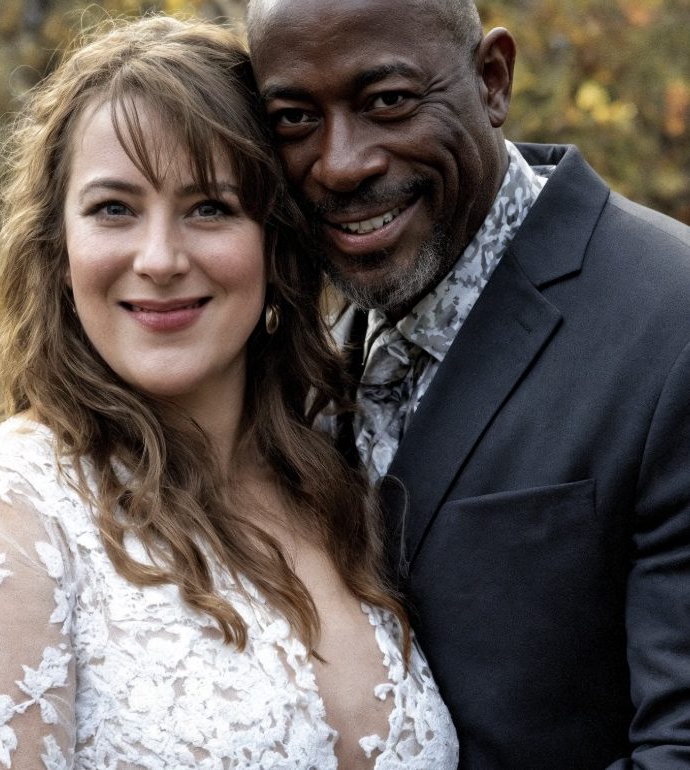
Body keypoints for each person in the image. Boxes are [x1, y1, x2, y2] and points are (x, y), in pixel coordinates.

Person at [0, 16, 459, 770]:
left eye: (210, 207)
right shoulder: (6, 521)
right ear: (59, 249)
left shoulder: (338, 480)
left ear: (275, 243)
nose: (160, 258)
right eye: (114, 209)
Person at [247, 0, 690, 767]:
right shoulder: (289, 357)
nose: (341, 164)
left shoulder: (670, 320)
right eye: (295, 119)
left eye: (388, 101)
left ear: (492, 80)